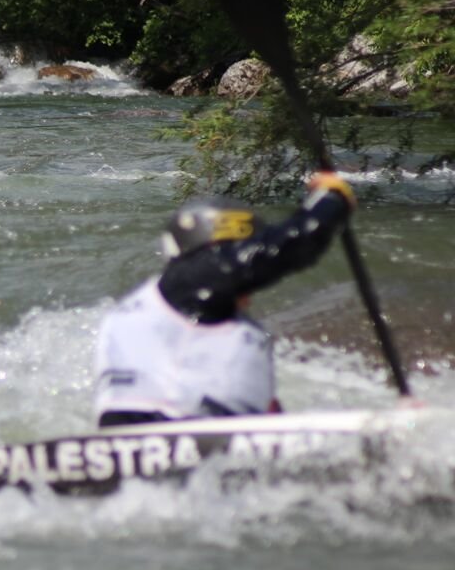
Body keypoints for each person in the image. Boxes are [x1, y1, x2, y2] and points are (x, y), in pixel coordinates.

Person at [94, 172, 357, 427]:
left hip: (184, 441)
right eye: (240, 248)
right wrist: (330, 200)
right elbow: (290, 246)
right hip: (161, 430)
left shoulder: (193, 315)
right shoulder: (190, 279)